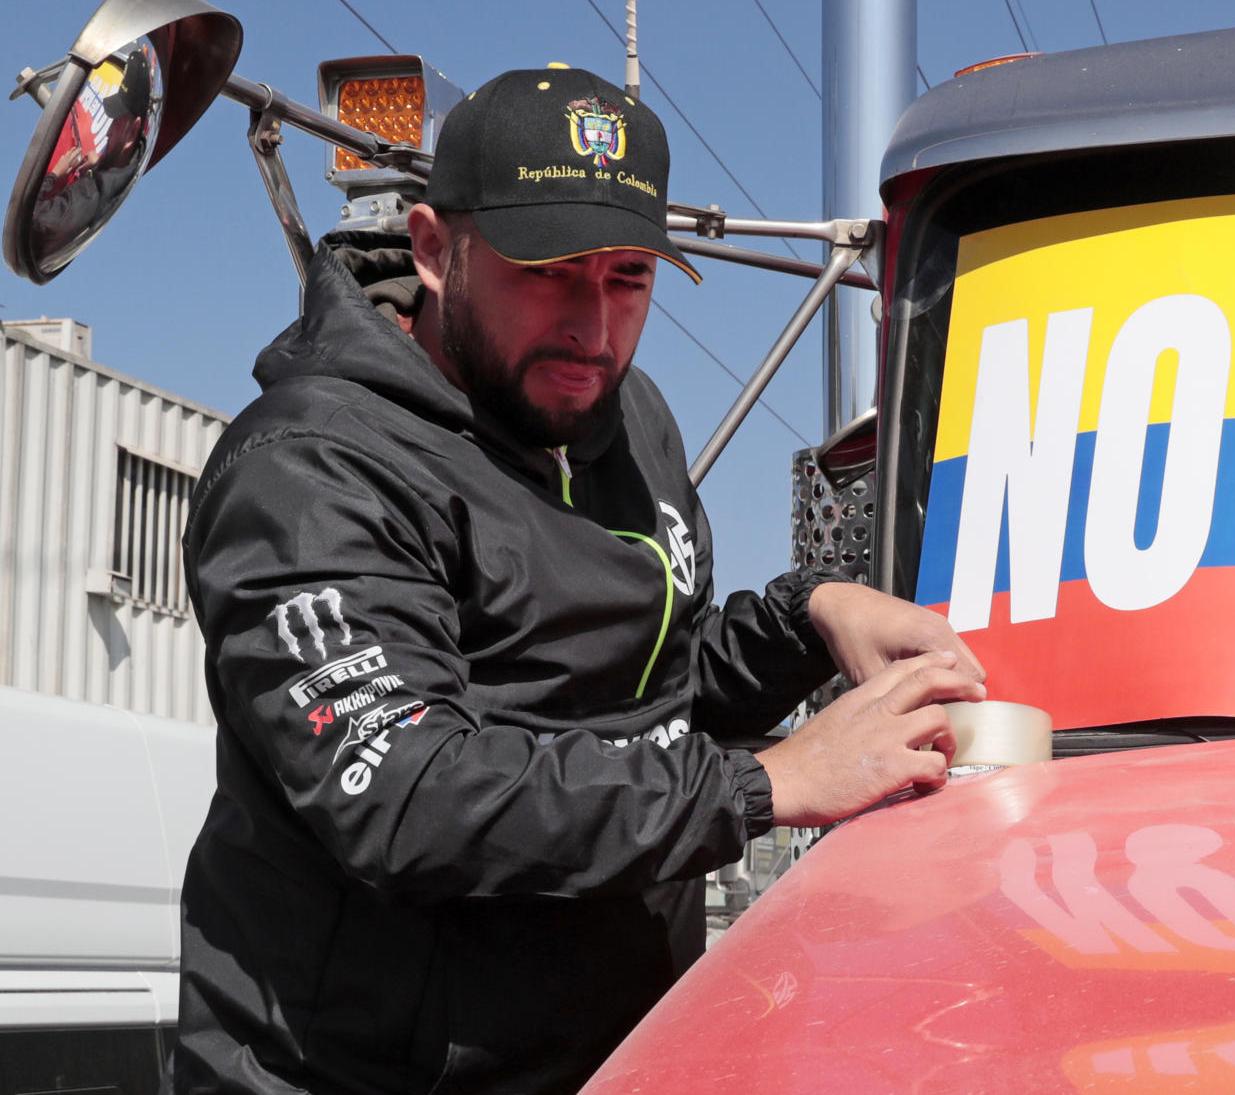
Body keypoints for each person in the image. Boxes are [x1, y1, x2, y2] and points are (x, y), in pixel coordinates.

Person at [174, 65, 985, 1094]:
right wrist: (771, 784)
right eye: (548, 271)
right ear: (435, 249)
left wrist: (808, 616)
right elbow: (404, 793)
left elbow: (658, 689)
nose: (593, 332)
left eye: (627, 278)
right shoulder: (314, 467)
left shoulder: (623, 419)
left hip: (616, 1055)